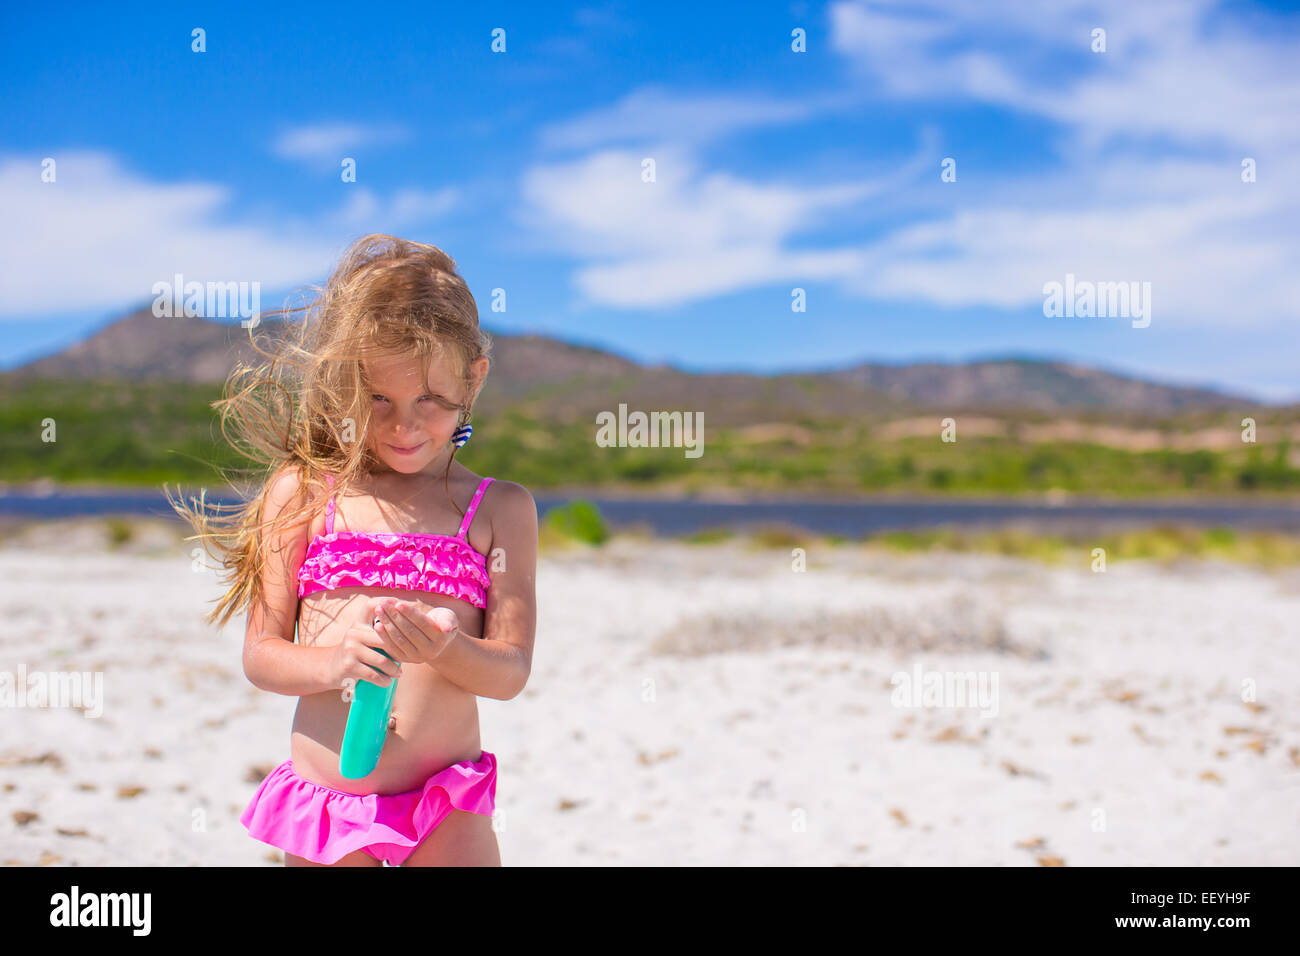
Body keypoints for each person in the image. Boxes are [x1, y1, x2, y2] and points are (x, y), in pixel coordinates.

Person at [168, 233, 538, 866]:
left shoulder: (500, 509)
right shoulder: (306, 493)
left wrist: (447, 650)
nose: (404, 425)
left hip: (445, 807)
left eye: (429, 398)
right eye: (378, 399)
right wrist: (335, 663)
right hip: (330, 805)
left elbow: (510, 673)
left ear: (474, 378)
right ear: (345, 382)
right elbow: (261, 656)